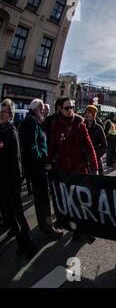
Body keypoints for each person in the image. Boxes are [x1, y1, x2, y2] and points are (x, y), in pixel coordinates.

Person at [46, 99, 98, 242]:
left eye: (72, 107)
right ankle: (76, 229)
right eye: (67, 107)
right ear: (60, 109)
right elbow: (51, 147)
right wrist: (48, 162)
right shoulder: (55, 126)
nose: (70, 110)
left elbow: (89, 146)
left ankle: (86, 229)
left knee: (84, 201)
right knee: (72, 202)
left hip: (80, 169)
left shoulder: (79, 124)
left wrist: (95, 166)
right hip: (64, 170)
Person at [19, 99, 63, 239]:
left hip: (38, 165)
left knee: (42, 197)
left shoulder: (34, 120)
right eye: (42, 109)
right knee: (43, 198)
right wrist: (42, 161)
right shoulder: (31, 121)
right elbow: (31, 146)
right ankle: (48, 228)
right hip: (37, 167)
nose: (44, 112)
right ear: (37, 108)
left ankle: (45, 226)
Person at [0, 99, 37, 258]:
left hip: (11, 182)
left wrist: (15, 183)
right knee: (9, 217)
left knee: (19, 216)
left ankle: (30, 245)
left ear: (10, 115)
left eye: (4, 112)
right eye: (0, 111)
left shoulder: (11, 132)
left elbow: (17, 160)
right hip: (1, 182)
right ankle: (21, 243)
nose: (1, 114)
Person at [84, 105, 107, 175]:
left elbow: (104, 146)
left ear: (94, 115)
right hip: (83, 161)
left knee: (95, 182)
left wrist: (95, 155)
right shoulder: (81, 126)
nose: (87, 115)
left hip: (95, 160)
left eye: (89, 113)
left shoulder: (98, 128)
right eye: (86, 113)